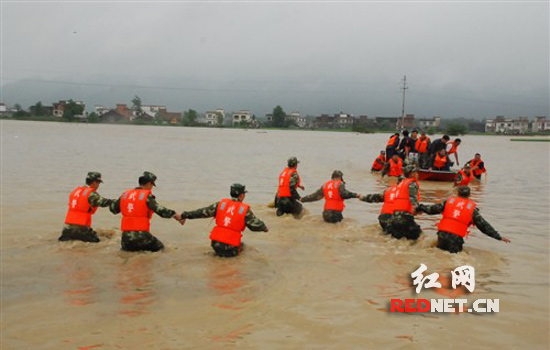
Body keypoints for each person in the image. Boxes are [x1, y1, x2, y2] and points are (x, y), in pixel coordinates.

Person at [179, 184, 268, 257]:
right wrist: (264, 228)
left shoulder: (220, 205)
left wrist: (184, 215)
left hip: (215, 245)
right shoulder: (244, 210)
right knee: (244, 248)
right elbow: (254, 226)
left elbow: (201, 212)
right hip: (231, 247)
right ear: (242, 195)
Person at [417, 186, 511, 253]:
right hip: (456, 238)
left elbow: (431, 210)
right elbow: (484, 226)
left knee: (440, 255)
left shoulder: (448, 202)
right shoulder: (472, 210)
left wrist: (420, 208)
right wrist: (498, 237)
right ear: (469, 195)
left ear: (457, 193)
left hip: (442, 235)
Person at [110, 171, 182, 252]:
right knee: (161, 249)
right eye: (152, 185)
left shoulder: (125, 194)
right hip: (142, 236)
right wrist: (175, 215)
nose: (151, 188)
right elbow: (160, 211)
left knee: (128, 252)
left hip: (126, 238)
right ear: (149, 184)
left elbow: (113, 209)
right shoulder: (146, 196)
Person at [60, 172, 114, 243]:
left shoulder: (75, 192)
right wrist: (114, 202)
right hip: (81, 228)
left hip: (67, 229)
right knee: (98, 243)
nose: (98, 185)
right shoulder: (91, 193)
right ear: (94, 182)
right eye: (98, 183)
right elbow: (103, 202)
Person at [386, 165, 422, 240]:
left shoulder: (401, 184)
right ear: (411, 174)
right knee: (419, 237)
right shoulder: (412, 183)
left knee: (397, 239)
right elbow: (412, 197)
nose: (417, 174)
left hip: (394, 218)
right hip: (405, 217)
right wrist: (416, 208)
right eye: (415, 172)